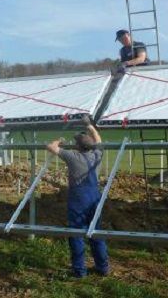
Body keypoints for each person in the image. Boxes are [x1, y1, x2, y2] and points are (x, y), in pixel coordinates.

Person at [46, 115, 109, 278]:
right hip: (94, 197)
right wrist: (89, 125)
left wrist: (59, 141)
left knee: (76, 233)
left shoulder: (73, 157)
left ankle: (79, 271)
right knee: (96, 232)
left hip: (79, 198)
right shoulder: (97, 155)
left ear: (77, 146)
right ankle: (102, 268)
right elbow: (98, 139)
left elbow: (51, 147)